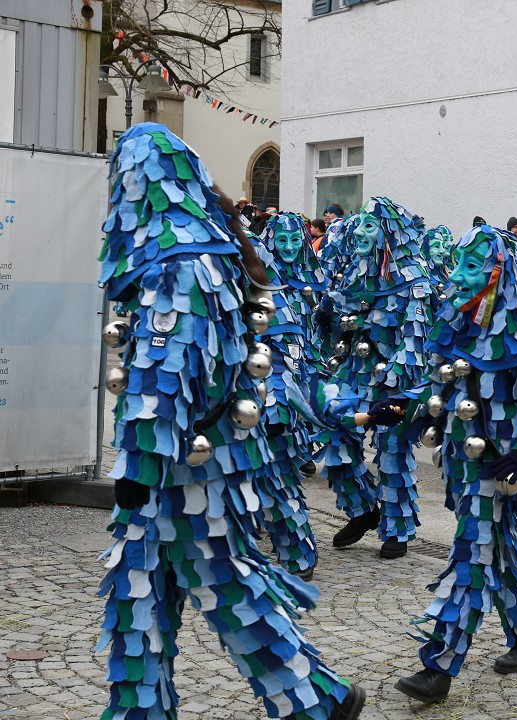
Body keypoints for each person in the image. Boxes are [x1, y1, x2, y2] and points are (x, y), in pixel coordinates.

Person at [97, 123, 364, 720]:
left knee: (225, 585)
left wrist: (138, 468)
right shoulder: (208, 248)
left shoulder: (179, 261)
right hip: (192, 458)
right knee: (139, 596)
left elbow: (165, 374)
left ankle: (319, 700)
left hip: (181, 468)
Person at [390, 225, 517, 704]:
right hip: (461, 459)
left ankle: (439, 666)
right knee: (497, 547)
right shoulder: (458, 318)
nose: (458, 275)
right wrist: (404, 407)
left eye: (472, 267)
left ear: (496, 273)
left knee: (473, 554)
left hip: (498, 466)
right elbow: (441, 386)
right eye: (458, 264)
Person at [315, 197, 432, 559]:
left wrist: (395, 384)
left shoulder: (413, 277)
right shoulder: (356, 271)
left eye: (370, 226)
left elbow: (415, 340)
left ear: (387, 233)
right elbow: (343, 322)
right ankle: (365, 509)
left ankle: (397, 527)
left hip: (398, 375)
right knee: (336, 435)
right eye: (360, 224)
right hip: (356, 370)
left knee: (392, 450)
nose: (361, 232)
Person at [251, 212, 329, 581]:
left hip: (283, 393)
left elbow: (310, 341)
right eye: (279, 241)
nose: (286, 247)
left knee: (278, 472)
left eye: (293, 240)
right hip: (249, 387)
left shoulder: (307, 284)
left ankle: (298, 551)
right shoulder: (256, 279)